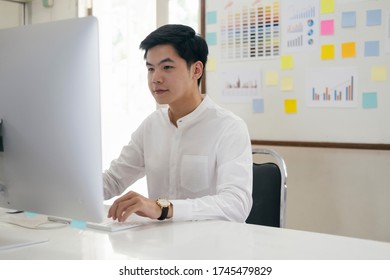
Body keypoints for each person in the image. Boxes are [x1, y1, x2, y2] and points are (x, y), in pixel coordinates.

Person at [103, 24, 253, 223]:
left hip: (210, 247)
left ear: (196, 70)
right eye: (150, 69)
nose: (155, 78)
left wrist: (163, 208)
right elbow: (113, 180)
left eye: (167, 67)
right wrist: (59, 189)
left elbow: (236, 205)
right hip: (158, 246)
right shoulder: (152, 125)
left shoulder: (229, 128)